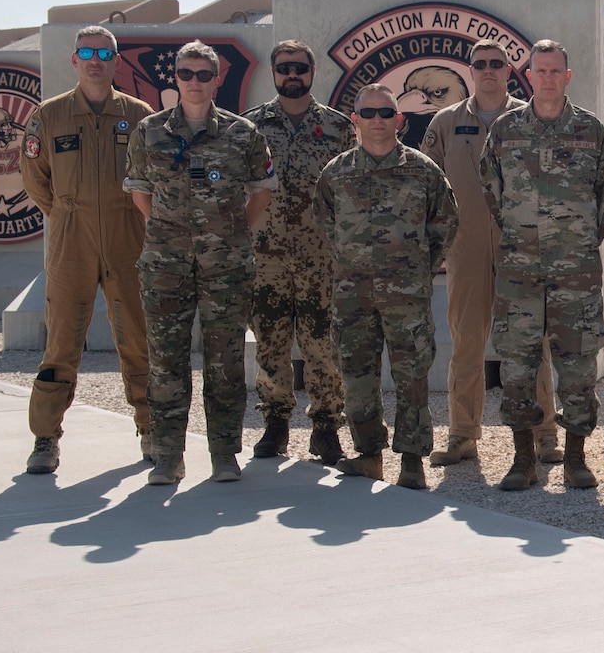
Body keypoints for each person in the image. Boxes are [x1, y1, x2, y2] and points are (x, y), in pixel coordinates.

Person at [124, 41, 275, 484]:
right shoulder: (149, 132)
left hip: (225, 266)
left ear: (217, 79)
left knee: (225, 358)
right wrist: (173, 232)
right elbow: (139, 192)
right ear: (175, 77)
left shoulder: (242, 133)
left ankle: (224, 451)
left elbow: (261, 192)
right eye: (186, 74)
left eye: (203, 75)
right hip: (165, 265)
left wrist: (228, 232)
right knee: (165, 360)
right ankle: (169, 455)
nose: (194, 82)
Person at [480, 39, 604, 492]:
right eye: (539, 71)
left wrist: (580, 241)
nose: (546, 78)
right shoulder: (504, 132)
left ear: (567, 76)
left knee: (578, 366)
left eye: (554, 71)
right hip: (520, 272)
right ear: (529, 76)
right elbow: (491, 189)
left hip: (574, 273)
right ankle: (524, 460)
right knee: (518, 367)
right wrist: (523, 238)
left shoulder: (591, 131)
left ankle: (576, 459)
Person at [21, 25, 156, 474]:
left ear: (116, 61)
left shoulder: (138, 115)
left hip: (126, 236)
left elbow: (154, 176)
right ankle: (45, 438)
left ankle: (151, 429)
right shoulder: (50, 115)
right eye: (87, 52)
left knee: (137, 338)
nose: (96, 60)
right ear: (74, 61)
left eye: (105, 52)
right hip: (71, 239)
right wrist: (65, 212)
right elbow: (35, 178)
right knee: (61, 341)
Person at [421, 40, 562, 468]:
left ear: (508, 70)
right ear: (469, 70)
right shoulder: (446, 122)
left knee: (531, 339)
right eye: (479, 64)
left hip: (522, 245)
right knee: (466, 339)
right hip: (466, 246)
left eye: (495, 64)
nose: (487, 71)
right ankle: (463, 435)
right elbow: (427, 184)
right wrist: (438, 241)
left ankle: (545, 434)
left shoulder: (529, 117)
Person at [314, 82, 459, 490]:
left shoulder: (423, 171)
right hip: (352, 295)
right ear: (355, 120)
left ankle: (412, 461)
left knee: (411, 376)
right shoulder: (337, 173)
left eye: (385, 113)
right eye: (368, 113)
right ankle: (369, 455)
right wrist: (354, 264)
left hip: (406, 297)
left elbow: (445, 223)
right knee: (357, 375)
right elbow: (326, 224)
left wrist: (417, 269)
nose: (377, 120)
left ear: (399, 119)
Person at [243, 40, 355, 465]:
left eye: (300, 68)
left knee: (322, 345)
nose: (292, 74)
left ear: (312, 72)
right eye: (284, 67)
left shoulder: (338, 127)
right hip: (266, 255)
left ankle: (326, 428)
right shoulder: (251, 127)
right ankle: (275, 424)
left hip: (320, 256)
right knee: (270, 342)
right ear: (274, 73)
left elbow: (348, 189)